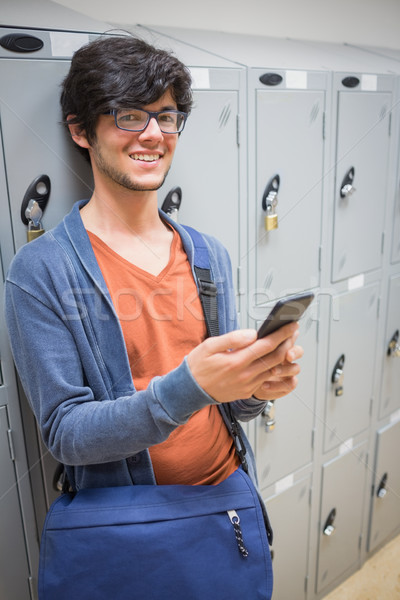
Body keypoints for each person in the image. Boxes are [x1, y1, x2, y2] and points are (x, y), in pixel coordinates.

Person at [5, 33, 302, 581]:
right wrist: (191, 385)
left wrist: (258, 387)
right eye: (128, 116)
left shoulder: (208, 254)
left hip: (226, 503)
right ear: (80, 130)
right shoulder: (41, 271)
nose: (153, 135)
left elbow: (229, 404)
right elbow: (66, 433)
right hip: (130, 530)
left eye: (166, 117)